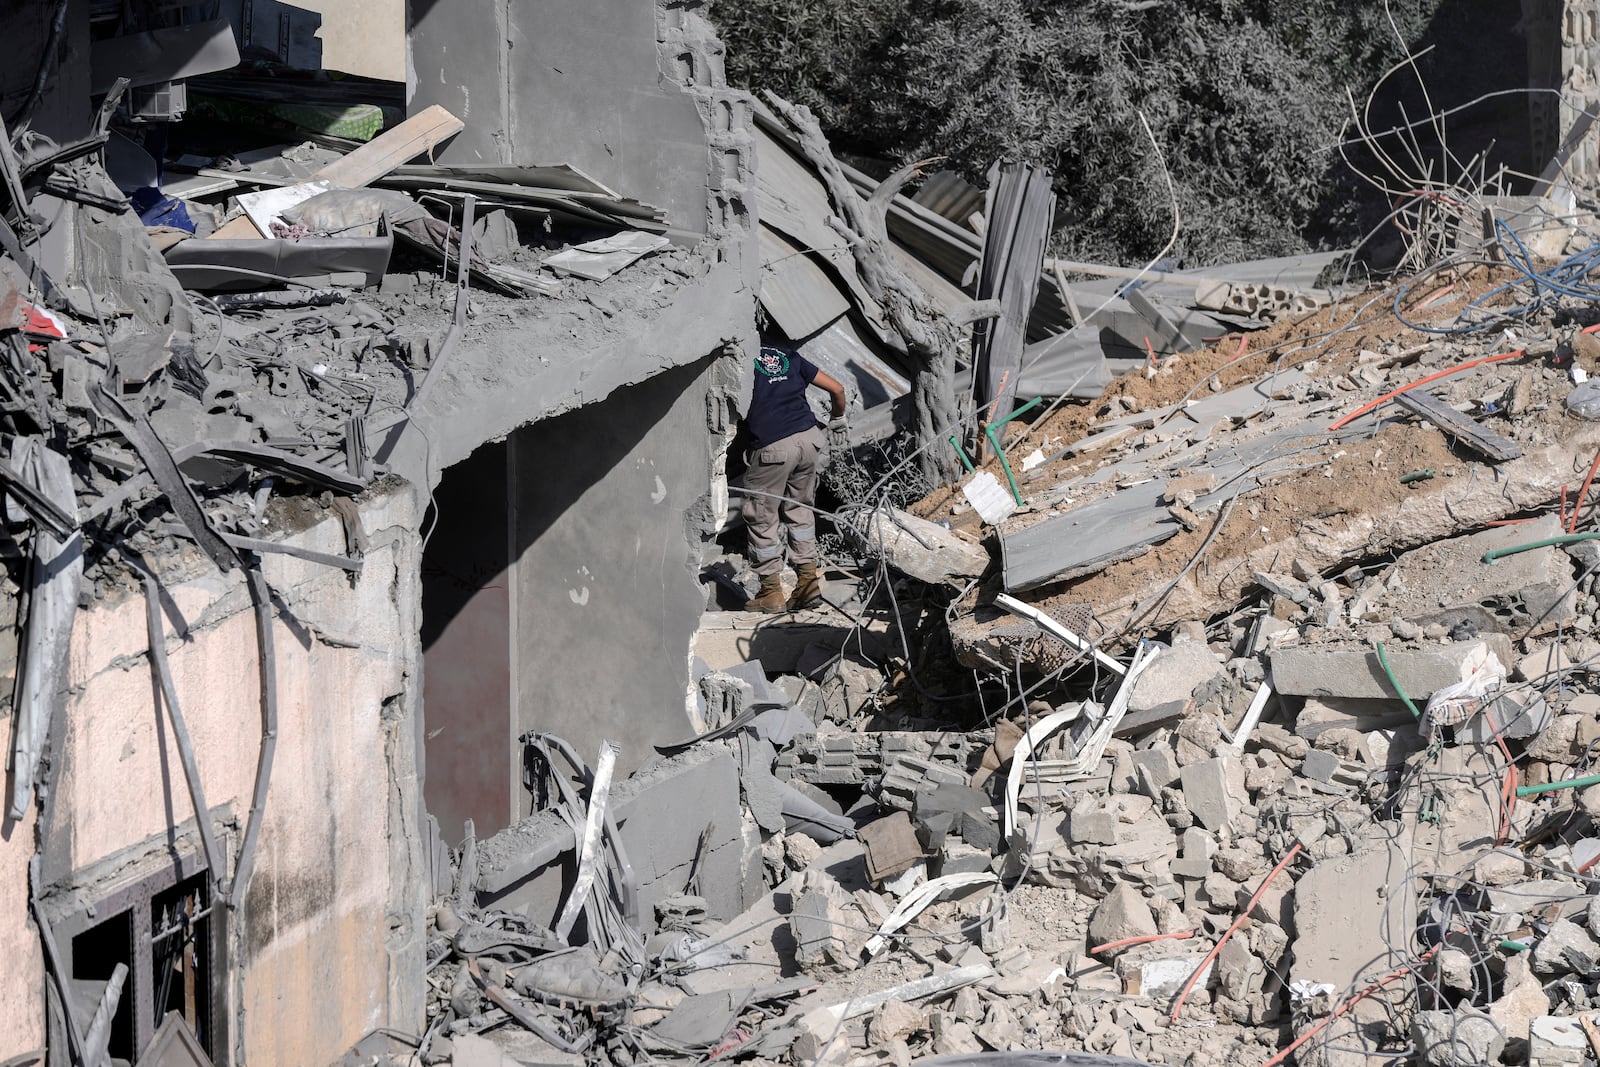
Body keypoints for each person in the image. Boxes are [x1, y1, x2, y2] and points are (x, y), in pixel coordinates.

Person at [741, 343, 848, 612]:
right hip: (809, 438)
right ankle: (808, 585)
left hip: (773, 446)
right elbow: (837, 389)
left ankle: (771, 593)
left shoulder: (740, 359)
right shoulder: (786, 354)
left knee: (761, 516)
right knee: (800, 510)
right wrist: (838, 418)